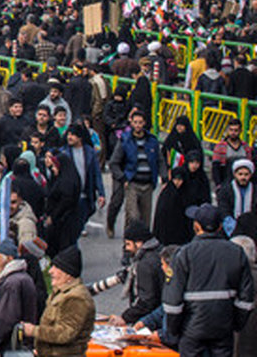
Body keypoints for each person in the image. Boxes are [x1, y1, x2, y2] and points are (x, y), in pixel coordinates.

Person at [162, 204, 255, 355]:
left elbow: (172, 300)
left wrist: (175, 329)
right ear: (220, 227)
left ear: (196, 226)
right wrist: (235, 323)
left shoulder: (184, 254)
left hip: (192, 331)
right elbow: (246, 298)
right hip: (223, 329)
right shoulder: (236, 253)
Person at [21, 246, 94, 357]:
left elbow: (65, 334)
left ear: (68, 274)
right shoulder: (61, 292)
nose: (51, 271)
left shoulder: (76, 298)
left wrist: (33, 331)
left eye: (56, 267)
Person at [108, 111, 163, 233]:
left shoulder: (152, 141)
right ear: (131, 123)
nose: (138, 125)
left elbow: (160, 160)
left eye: (140, 122)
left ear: (144, 123)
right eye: (135, 122)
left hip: (148, 184)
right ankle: (128, 245)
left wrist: (163, 177)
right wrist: (123, 178)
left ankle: (142, 248)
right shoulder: (125, 140)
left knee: (146, 220)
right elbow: (114, 162)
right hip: (132, 182)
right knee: (133, 216)